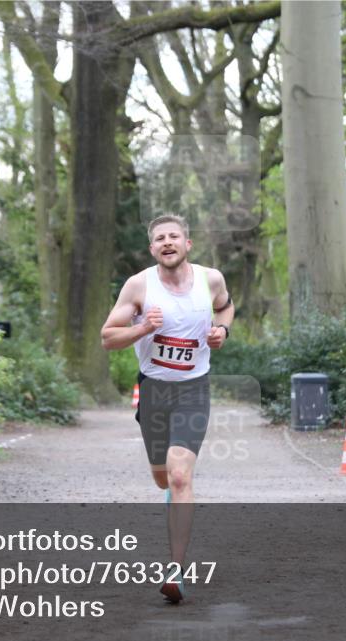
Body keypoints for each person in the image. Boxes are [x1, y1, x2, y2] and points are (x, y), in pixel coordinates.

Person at [100, 213, 235, 603]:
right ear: (152, 248)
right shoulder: (138, 286)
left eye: (174, 236)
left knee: (179, 476)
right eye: (160, 238)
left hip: (193, 390)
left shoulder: (211, 280)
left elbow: (226, 307)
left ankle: (176, 570)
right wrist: (143, 328)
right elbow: (108, 338)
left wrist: (222, 331)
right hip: (154, 391)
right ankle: (172, 491)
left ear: (187, 244)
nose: (167, 242)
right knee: (163, 479)